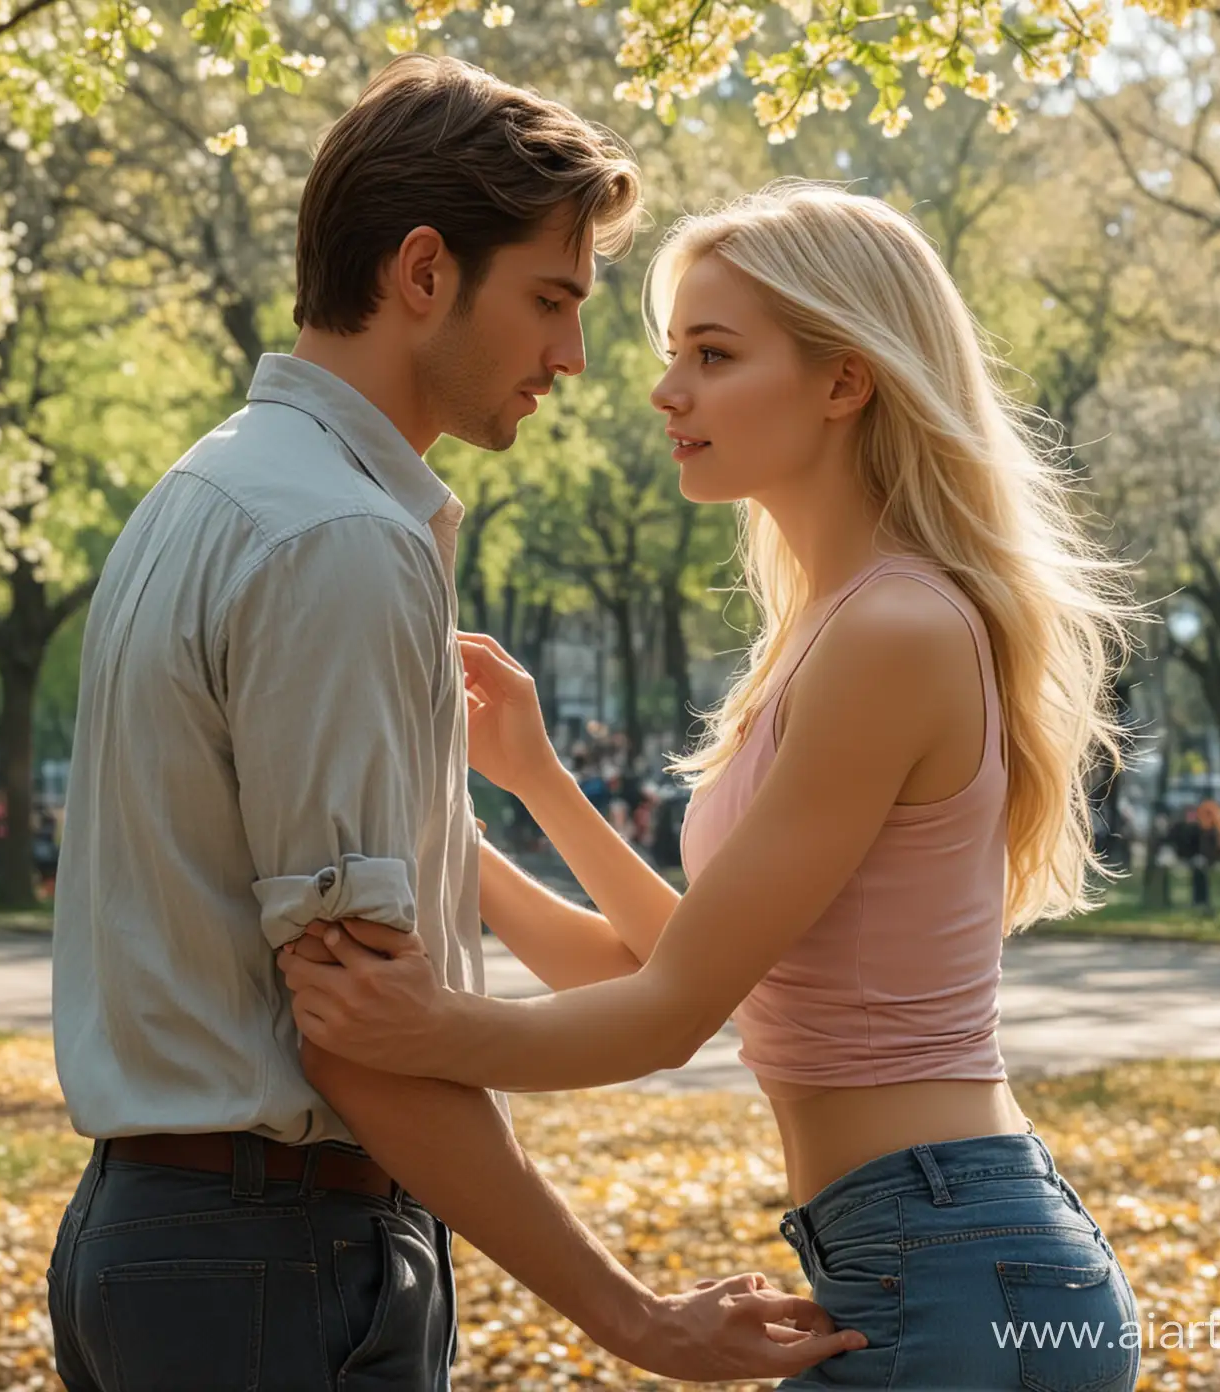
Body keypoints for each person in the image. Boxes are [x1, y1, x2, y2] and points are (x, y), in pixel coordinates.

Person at [45, 59, 858, 1392]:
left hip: (188, 1246)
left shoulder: (211, 492)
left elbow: (589, 972)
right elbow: (359, 1033)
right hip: (275, 1258)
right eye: (552, 300)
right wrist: (641, 1320)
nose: (573, 359)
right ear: (424, 272)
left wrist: (524, 786)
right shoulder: (338, 543)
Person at [280, 182, 1143, 1389]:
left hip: (955, 1265)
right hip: (927, 1251)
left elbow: (674, 1012)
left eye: (714, 354)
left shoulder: (894, 630)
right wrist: (500, 810)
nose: (664, 389)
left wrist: (432, 1035)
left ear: (847, 380)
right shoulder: (836, 627)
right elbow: (678, 967)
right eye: (675, 352)